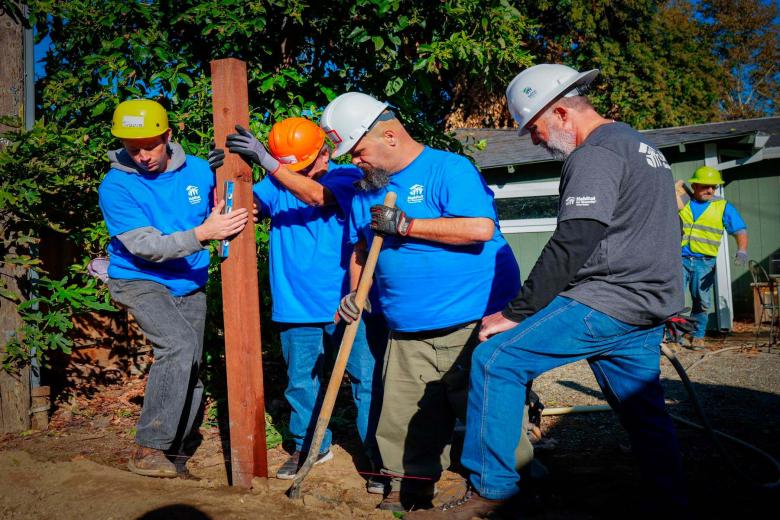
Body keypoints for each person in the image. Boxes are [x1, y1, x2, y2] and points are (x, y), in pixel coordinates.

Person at [408, 64, 687, 519]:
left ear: (559, 112)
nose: (534, 139)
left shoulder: (594, 154)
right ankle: (671, 500)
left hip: (608, 301)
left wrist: (516, 312)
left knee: (496, 360)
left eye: (534, 128)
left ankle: (493, 493)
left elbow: (574, 239)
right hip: (648, 307)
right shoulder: (644, 149)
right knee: (644, 412)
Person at [319, 92, 523, 512]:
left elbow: (480, 229)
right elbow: (361, 250)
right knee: (402, 418)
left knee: (488, 413)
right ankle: (407, 485)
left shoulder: (448, 169)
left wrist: (407, 225)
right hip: (405, 327)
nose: (355, 162)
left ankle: (512, 484)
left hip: (472, 323)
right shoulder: (365, 191)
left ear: (390, 136)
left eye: (358, 151)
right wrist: (356, 294)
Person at [208, 117, 387, 492]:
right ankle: (311, 447)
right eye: (290, 167)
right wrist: (217, 181)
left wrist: (269, 163)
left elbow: (316, 197)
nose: (295, 172)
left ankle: (378, 457)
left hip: (347, 303)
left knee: (365, 381)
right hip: (294, 305)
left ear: (324, 153)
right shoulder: (277, 182)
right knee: (300, 383)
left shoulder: (344, 177)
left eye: (302, 165)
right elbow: (245, 203)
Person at [99, 99, 250, 478]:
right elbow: (147, 247)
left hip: (189, 280)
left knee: (191, 365)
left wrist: (226, 178)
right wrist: (203, 234)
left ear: (168, 136)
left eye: (150, 145)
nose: (144, 156)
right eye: (134, 149)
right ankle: (148, 449)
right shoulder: (116, 186)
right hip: (138, 277)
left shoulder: (199, 170)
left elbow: (224, 204)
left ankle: (175, 453)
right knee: (178, 346)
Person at [675, 166, 748, 349]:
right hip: (679, 259)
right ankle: (673, 338)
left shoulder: (722, 206)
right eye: (706, 186)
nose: (710, 190)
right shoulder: (682, 203)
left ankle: (697, 336)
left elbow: (739, 229)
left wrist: (742, 250)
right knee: (674, 300)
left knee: (702, 301)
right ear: (696, 185)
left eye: (713, 187)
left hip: (704, 262)